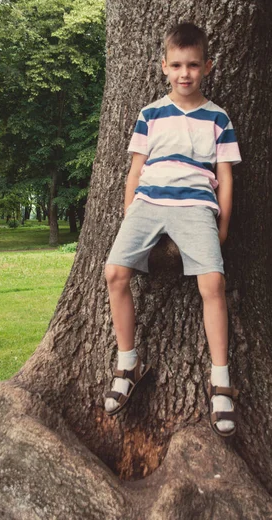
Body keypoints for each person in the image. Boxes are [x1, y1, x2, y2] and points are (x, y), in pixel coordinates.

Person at [104, 22, 241, 437]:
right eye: (177, 65)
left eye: (194, 65)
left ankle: (221, 381)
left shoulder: (218, 118)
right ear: (164, 66)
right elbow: (135, 170)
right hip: (148, 203)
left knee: (212, 284)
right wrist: (131, 211)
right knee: (114, 274)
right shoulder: (150, 114)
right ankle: (128, 363)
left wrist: (223, 224)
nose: (185, 73)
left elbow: (226, 176)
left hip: (196, 206)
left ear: (208, 67)